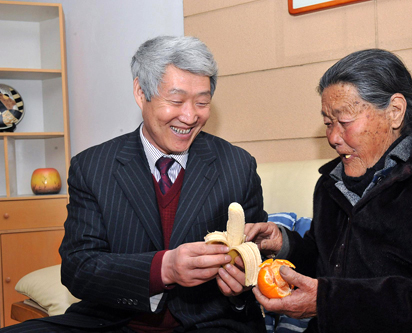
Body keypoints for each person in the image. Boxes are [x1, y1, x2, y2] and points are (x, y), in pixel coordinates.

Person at [2, 36, 267, 332]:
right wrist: (163, 268)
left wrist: (241, 287)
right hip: (112, 321)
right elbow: (78, 269)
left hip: (210, 323)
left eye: (202, 102)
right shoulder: (92, 167)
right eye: (176, 101)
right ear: (141, 92)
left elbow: (258, 262)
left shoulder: (238, 165)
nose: (191, 116)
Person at [245, 49, 412, 332]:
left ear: (394, 112)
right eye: (328, 123)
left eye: (344, 122)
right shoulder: (332, 183)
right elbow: (329, 264)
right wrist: (284, 244)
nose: (333, 137)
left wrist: (329, 303)